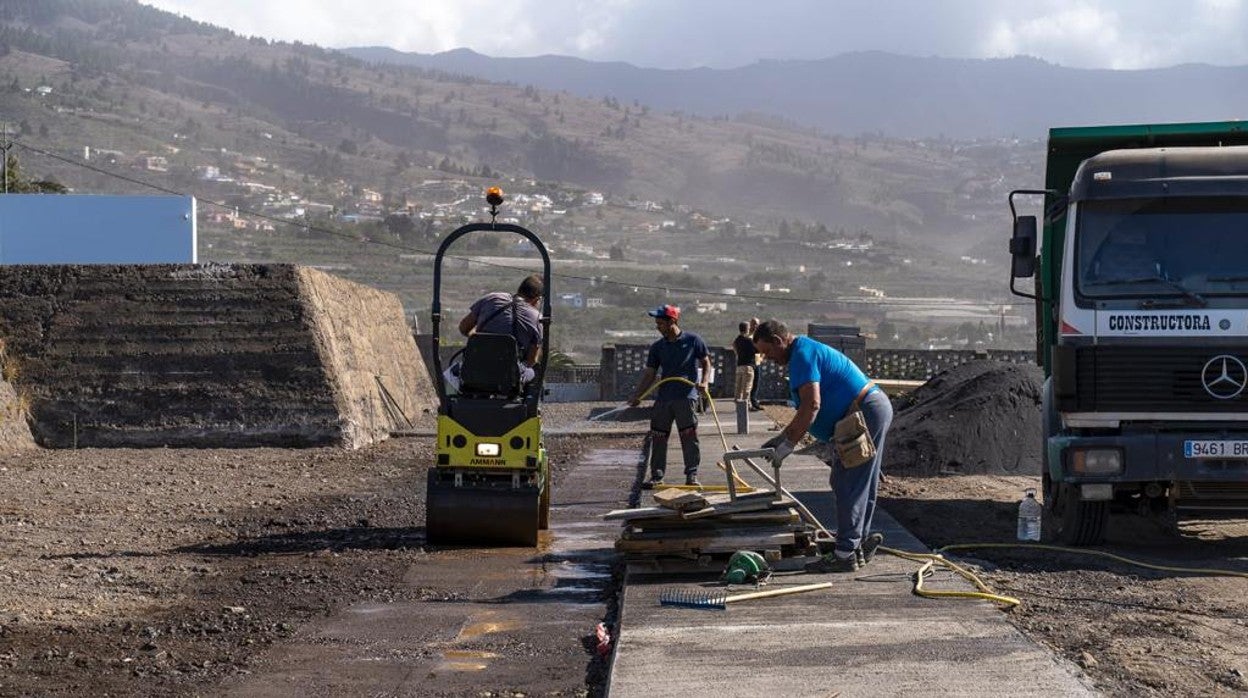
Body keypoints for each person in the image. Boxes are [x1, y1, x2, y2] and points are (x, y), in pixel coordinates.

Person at [752, 319, 893, 572]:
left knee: (849, 481)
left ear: (777, 341)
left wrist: (787, 446)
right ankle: (855, 543)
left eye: (768, 352)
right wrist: (782, 436)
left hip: (864, 411)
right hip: (865, 410)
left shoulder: (802, 356)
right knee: (856, 479)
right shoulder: (802, 352)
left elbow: (811, 405)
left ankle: (845, 553)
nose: (768, 358)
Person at [628, 304, 711, 487]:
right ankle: (657, 476)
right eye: (656, 323)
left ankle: (692, 475)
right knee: (658, 437)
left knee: (689, 437)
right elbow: (650, 374)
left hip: (686, 396)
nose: (657, 326)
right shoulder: (657, 347)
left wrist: (704, 382)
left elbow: (706, 362)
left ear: (672, 321)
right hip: (664, 398)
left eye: (660, 323)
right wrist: (637, 395)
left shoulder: (693, 340)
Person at [458, 274, 544, 384]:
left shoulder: (492, 298)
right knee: (533, 371)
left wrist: (477, 340)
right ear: (537, 299)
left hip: (476, 369)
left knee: (454, 371)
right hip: (510, 376)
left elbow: (463, 328)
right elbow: (531, 361)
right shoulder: (537, 318)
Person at [732, 321, 756, 403]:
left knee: (738, 388)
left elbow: (734, 348)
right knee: (746, 388)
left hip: (739, 366)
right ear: (747, 329)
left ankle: (738, 407)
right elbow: (757, 350)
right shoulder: (749, 341)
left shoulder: (737, 340)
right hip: (748, 366)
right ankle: (745, 407)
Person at [747, 317, 763, 410]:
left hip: (757, 360)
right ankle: (750, 403)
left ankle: (754, 401)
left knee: (756, 382)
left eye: (757, 324)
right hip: (749, 361)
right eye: (754, 323)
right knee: (749, 383)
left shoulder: (760, 336)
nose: (755, 326)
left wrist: (761, 358)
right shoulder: (748, 335)